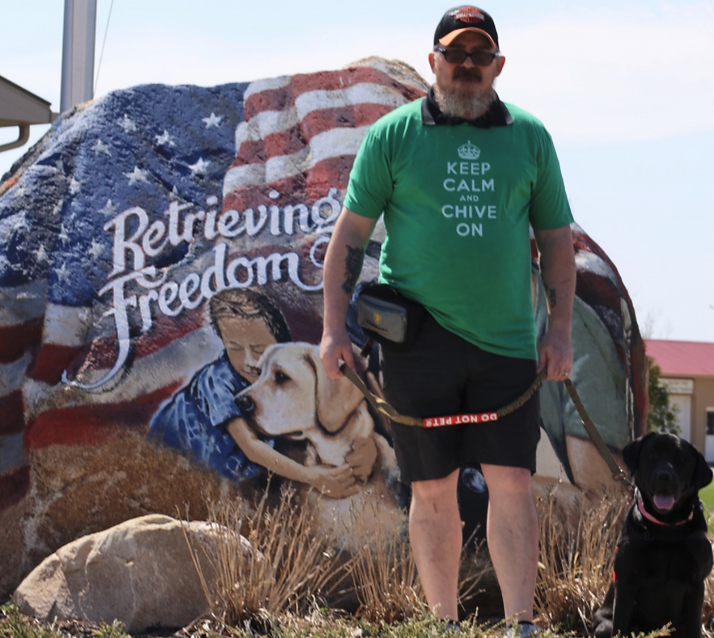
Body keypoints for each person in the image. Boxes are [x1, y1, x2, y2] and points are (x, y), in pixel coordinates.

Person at [320, 6, 576, 636]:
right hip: (417, 344)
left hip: (508, 348)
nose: (466, 66)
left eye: (478, 55)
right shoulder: (393, 136)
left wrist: (561, 329)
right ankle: (445, 627)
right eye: (454, 54)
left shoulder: (531, 137)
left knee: (512, 482)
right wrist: (332, 329)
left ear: (498, 66)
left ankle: (521, 625)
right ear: (433, 61)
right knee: (431, 489)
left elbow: (557, 244)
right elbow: (348, 237)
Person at [149, 287, 373, 497]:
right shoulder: (217, 383)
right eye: (234, 348)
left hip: (242, 474)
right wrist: (313, 478)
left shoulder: (284, 364)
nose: (248, 360)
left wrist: (364, 449)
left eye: (258, 349)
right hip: (181, 460)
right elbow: (252, 447)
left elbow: (331, 420)